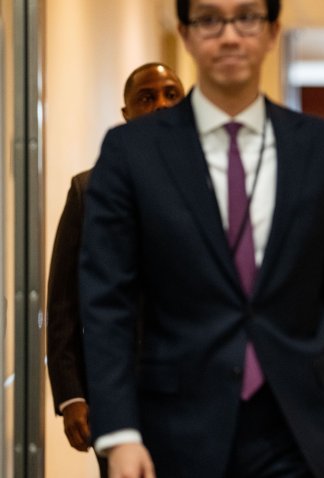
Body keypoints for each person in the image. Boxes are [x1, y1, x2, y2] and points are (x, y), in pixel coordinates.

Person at [79, 1, 324, 477]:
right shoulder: (132, 152)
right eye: (209, 19)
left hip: (300, 428)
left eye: (247, 17)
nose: (230, 36)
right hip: (174, 428)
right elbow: (105, 302)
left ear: (272, 31)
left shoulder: (323, 148)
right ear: (185, 32)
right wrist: (119, 433)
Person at [46, 61, 185, 478]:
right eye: (147, 97)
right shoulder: (88, 191)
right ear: (126, 115)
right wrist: (72, 397)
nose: (161, 105)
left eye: (171, 95)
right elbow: (63, 302)